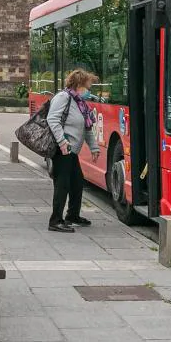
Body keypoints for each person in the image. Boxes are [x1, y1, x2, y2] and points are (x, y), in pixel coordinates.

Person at [46, 69, 101, 232]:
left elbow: (87, 127)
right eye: (87, 86)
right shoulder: (64, 97)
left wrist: (94, 147)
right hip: (62, 149)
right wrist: (63, 142)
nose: (89, 90)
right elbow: (52, 119)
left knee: (77, 182)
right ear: (79, 85)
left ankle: (72, 215)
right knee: (62, 184)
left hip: (72, 150)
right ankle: (55, 220)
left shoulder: (80, 103)